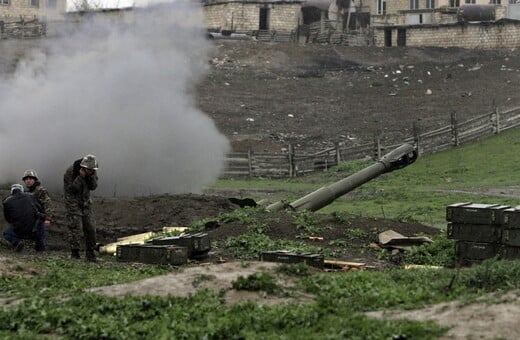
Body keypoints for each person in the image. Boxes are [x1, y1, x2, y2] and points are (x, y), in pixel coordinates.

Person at [63, 154, 99, 262]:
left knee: (91, 227)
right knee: (75, 227)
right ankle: (75, 253)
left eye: (93, 170)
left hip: (86, 202)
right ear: (83, 168)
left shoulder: (92, 172)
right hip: (73, 202)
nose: (92, 171)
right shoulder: (70, 172)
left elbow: (93, 186)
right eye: (90, 170)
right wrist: (81, 177)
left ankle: (90, 253)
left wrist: (91, 176)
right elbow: (72, 189)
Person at [3, 183, 46, 252]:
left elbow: (7, 218)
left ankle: (16, 242)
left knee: (6, 234)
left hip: (19, 231)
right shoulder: (30, 196)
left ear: (12, 191)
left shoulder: (7, 201)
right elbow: (40, 210)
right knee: (41, 222)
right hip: (33, 230)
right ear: (21, 190)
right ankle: (40, 248)